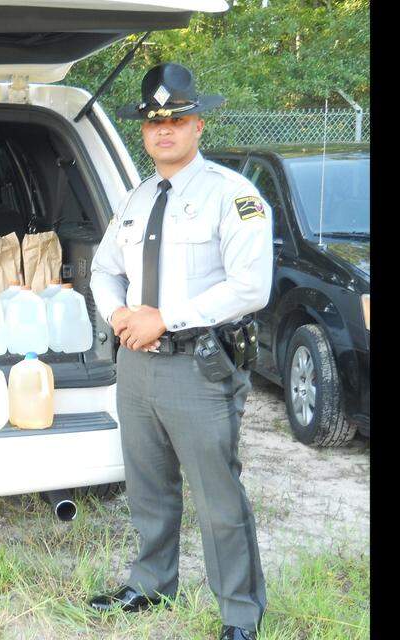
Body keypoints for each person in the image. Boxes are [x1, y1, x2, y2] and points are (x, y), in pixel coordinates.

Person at [88, 62, 273, 640]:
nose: (163, 130)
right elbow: (102, 268)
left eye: (177, 119)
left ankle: (239, 614)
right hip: (136, 364)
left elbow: (251, 287)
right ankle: (149, 583)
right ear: (143, 132)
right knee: (148, 486)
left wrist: (166, 318)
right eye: (152, 122)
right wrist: (117, 314)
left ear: (198, 126)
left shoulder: (233, 196)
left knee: (218, 496)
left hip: (199, 365)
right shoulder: (137, 198)